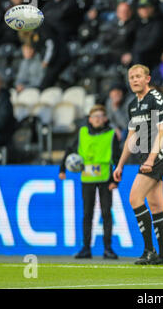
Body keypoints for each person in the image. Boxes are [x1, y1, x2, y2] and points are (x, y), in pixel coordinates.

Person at [113, 64, 163, 265]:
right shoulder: (132, 105)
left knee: (135, 198)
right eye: (131, 77)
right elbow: (132, 136)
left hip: (159, 154)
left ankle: (149, 250)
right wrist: (120, 164)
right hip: (146, 156)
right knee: (156, 205)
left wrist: (150, 159)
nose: (134, 80)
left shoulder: (156, 99)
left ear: (147, 79)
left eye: (138, 76)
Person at [59, 104, 121, 260]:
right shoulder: (82, 133)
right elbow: (70, 150)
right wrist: (62, 169)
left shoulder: (111, 134)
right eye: (95, 116)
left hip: (106, 179)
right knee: (88, 214)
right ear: (90, 119)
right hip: (87, 179)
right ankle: (86, 248)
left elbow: (117, 158)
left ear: (106, 119)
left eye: (101, 116)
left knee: (106, 213)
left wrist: (116, 180)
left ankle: (108, 248)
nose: (98, 119)